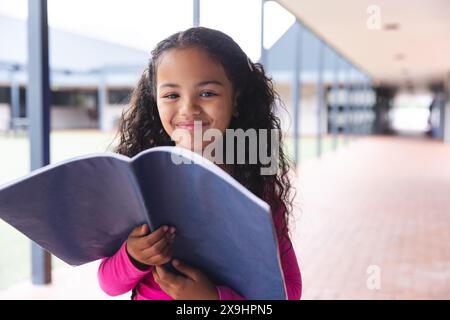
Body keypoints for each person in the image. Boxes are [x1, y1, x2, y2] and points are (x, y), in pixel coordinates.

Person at [98, 27, 302, 300]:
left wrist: (213, 300)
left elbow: (288, 292)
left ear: (236, 99)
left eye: (207, 93)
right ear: (154, 101)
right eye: (172, 95)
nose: (188, 109)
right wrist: (133, 256)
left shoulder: (256, 187)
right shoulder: (142, 184)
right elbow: (109, 284)